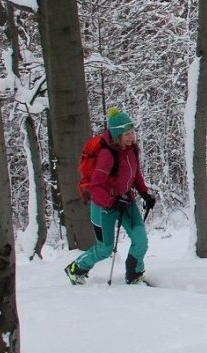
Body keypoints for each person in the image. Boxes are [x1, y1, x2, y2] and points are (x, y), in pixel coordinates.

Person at [65, 107, 156, 285]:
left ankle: (134, 274)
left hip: (126, 201)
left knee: (141, 241)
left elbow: (135, 173)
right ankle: (76, 269)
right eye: (126, 134)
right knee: (105, 249)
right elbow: (95, 186)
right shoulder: (107, 155)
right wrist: (111, 201)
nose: (131, 137)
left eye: (132, 132)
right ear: (117, 135)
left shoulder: (132, 150)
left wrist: (144, 193)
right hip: (103, 207)